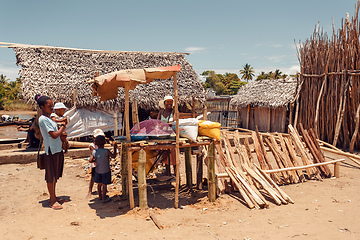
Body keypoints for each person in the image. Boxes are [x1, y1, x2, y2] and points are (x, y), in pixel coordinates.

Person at [36, 94, 67, 210]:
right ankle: (52, 200)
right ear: (42, 107)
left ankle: (53, 196)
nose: (52, 108)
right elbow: (53, 135)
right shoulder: (43, 119)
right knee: (51, 176)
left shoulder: (49, 118)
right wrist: (62, 128)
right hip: (51, 151)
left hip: (56, 149)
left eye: (52, 106)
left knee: (55, 175)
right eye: (49, 106)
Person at [89, 135, 117, 203]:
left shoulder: (94, 152)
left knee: (99, 184)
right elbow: (113, 156)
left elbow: (90, 160)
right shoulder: (106, 151)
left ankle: (100, 196)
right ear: (105, 142)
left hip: (98, 170)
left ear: (95, 143)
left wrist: (95, 161)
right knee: (104, 185)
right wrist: (115, 148)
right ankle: (104, 198)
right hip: (105, 170)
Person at [157, 95, 177, 175]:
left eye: (171, 101)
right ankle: (168, 173)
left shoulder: (174, 112)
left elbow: (174, 123)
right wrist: (163, 124)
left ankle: (176, 174)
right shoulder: (161, 112)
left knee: (174, 155)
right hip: (163, 136)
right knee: (165, 154)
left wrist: (163, 124)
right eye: (167, 102)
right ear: (164, 103)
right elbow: (157, 122)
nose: (169, 103)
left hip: (172, 136)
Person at [87, 128, 105, 198]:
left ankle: (101, 192)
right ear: (93, 138)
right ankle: (90, 191)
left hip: (101, 164)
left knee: (101, 178)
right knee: (93, 178)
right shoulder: (92, 145)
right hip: (95, 164)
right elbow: (94, 154)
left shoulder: (101, 144)